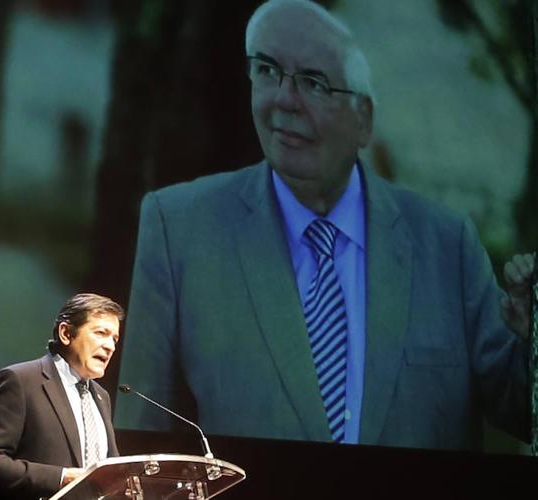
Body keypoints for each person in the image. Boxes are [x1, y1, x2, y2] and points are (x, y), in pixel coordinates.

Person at [115, 0, 535, 450]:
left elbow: (519, 411)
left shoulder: (446, 244)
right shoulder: (178, 227)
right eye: (268, 71)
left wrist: (534, 342)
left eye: (314, 83)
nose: (283, 100)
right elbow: (142, 440)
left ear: (364, 120)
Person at [0, 293, 124, 500]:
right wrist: (61, 477)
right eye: (101, 333)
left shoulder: (101, 397)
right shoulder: (21, 381)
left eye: (114, 339)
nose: (110, 346)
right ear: (66, 333)